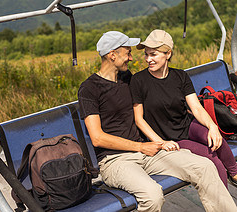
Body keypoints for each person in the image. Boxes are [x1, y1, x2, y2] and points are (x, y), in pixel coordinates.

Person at [78, 30, 237, 212]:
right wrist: (142, 146)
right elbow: (97, 138)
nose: (131, 58)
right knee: (152, 194)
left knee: (205, 166)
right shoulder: (89, 89)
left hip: (147, 152)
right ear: (112, 55)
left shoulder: (127, 79)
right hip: (115, 160)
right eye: (127, 52)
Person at [130, 29, 237, 189]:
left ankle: (235, 175)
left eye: (153, 54)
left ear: (168, 53)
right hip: (170, 138)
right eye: (146, 54)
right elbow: (139, 119)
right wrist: (160, 142)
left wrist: (213, 127)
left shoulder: (180, 76)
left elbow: (196, 108)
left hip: (187, 126)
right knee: (213, 160)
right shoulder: (138, 81)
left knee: (216, 139)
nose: (148, 59)